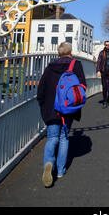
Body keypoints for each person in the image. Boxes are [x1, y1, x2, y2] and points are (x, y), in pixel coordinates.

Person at [37, 42, 86, 187]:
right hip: (68, 108)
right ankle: (60, 170)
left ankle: (48, 164)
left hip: (51, 108)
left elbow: (41, 90)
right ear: (70, 52)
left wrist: (43, 105)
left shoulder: (50, 67)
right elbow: (82, 86)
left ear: (58, 53)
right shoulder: (76, 65)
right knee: (64, 137)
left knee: (52, 138)